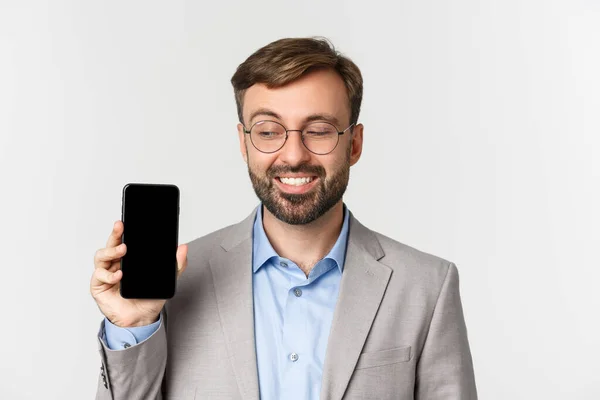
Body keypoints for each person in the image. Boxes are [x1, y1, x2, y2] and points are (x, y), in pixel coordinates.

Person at [91, 37, 478, 400]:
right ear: (244, 143)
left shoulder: (427, 286)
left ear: (354, 143)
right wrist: (133, 327)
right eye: (269, 130)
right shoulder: (171, 285)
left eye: (319, 130)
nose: (293, 155)